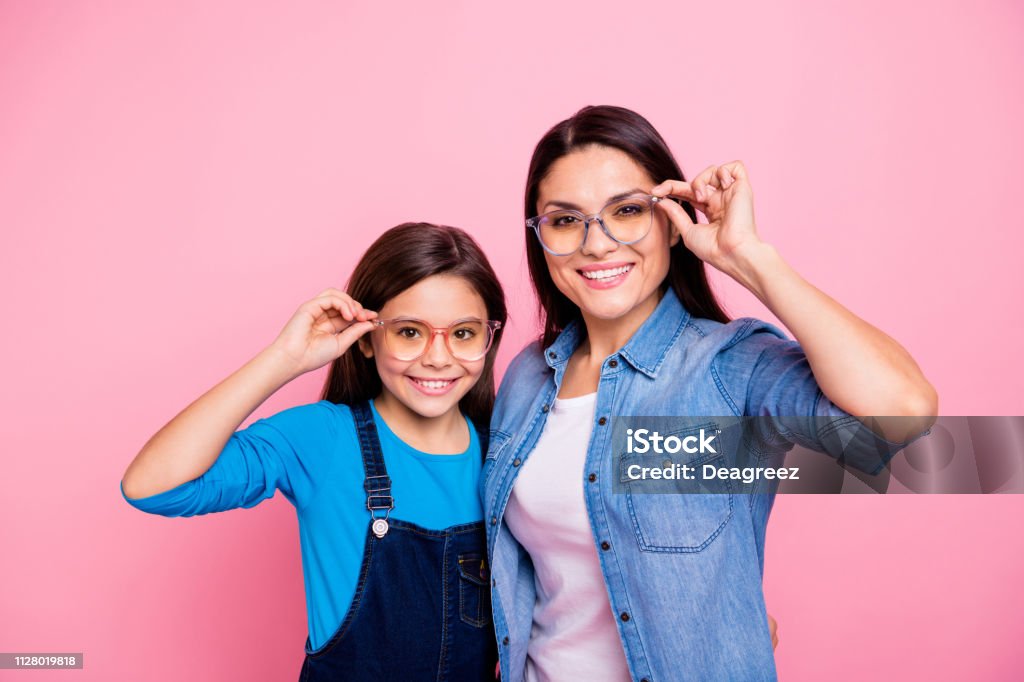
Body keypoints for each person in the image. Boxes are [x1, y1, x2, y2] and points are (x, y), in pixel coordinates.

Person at [482, 106, 937, 682]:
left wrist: (748, 256)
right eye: (566, 220)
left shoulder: (730, 367)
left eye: (626, 211)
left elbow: (903, 414)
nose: (596, 244)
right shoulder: (526, 375)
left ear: (673, 222)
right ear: (540, 236)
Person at [121, 222, 505, 681]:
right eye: (409, 332)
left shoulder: (505, 450)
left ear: (489, 337)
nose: (438, 357)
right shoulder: (323, 439)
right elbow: (152, 487)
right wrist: (285, 357)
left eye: (463, 333)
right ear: (365, 336)